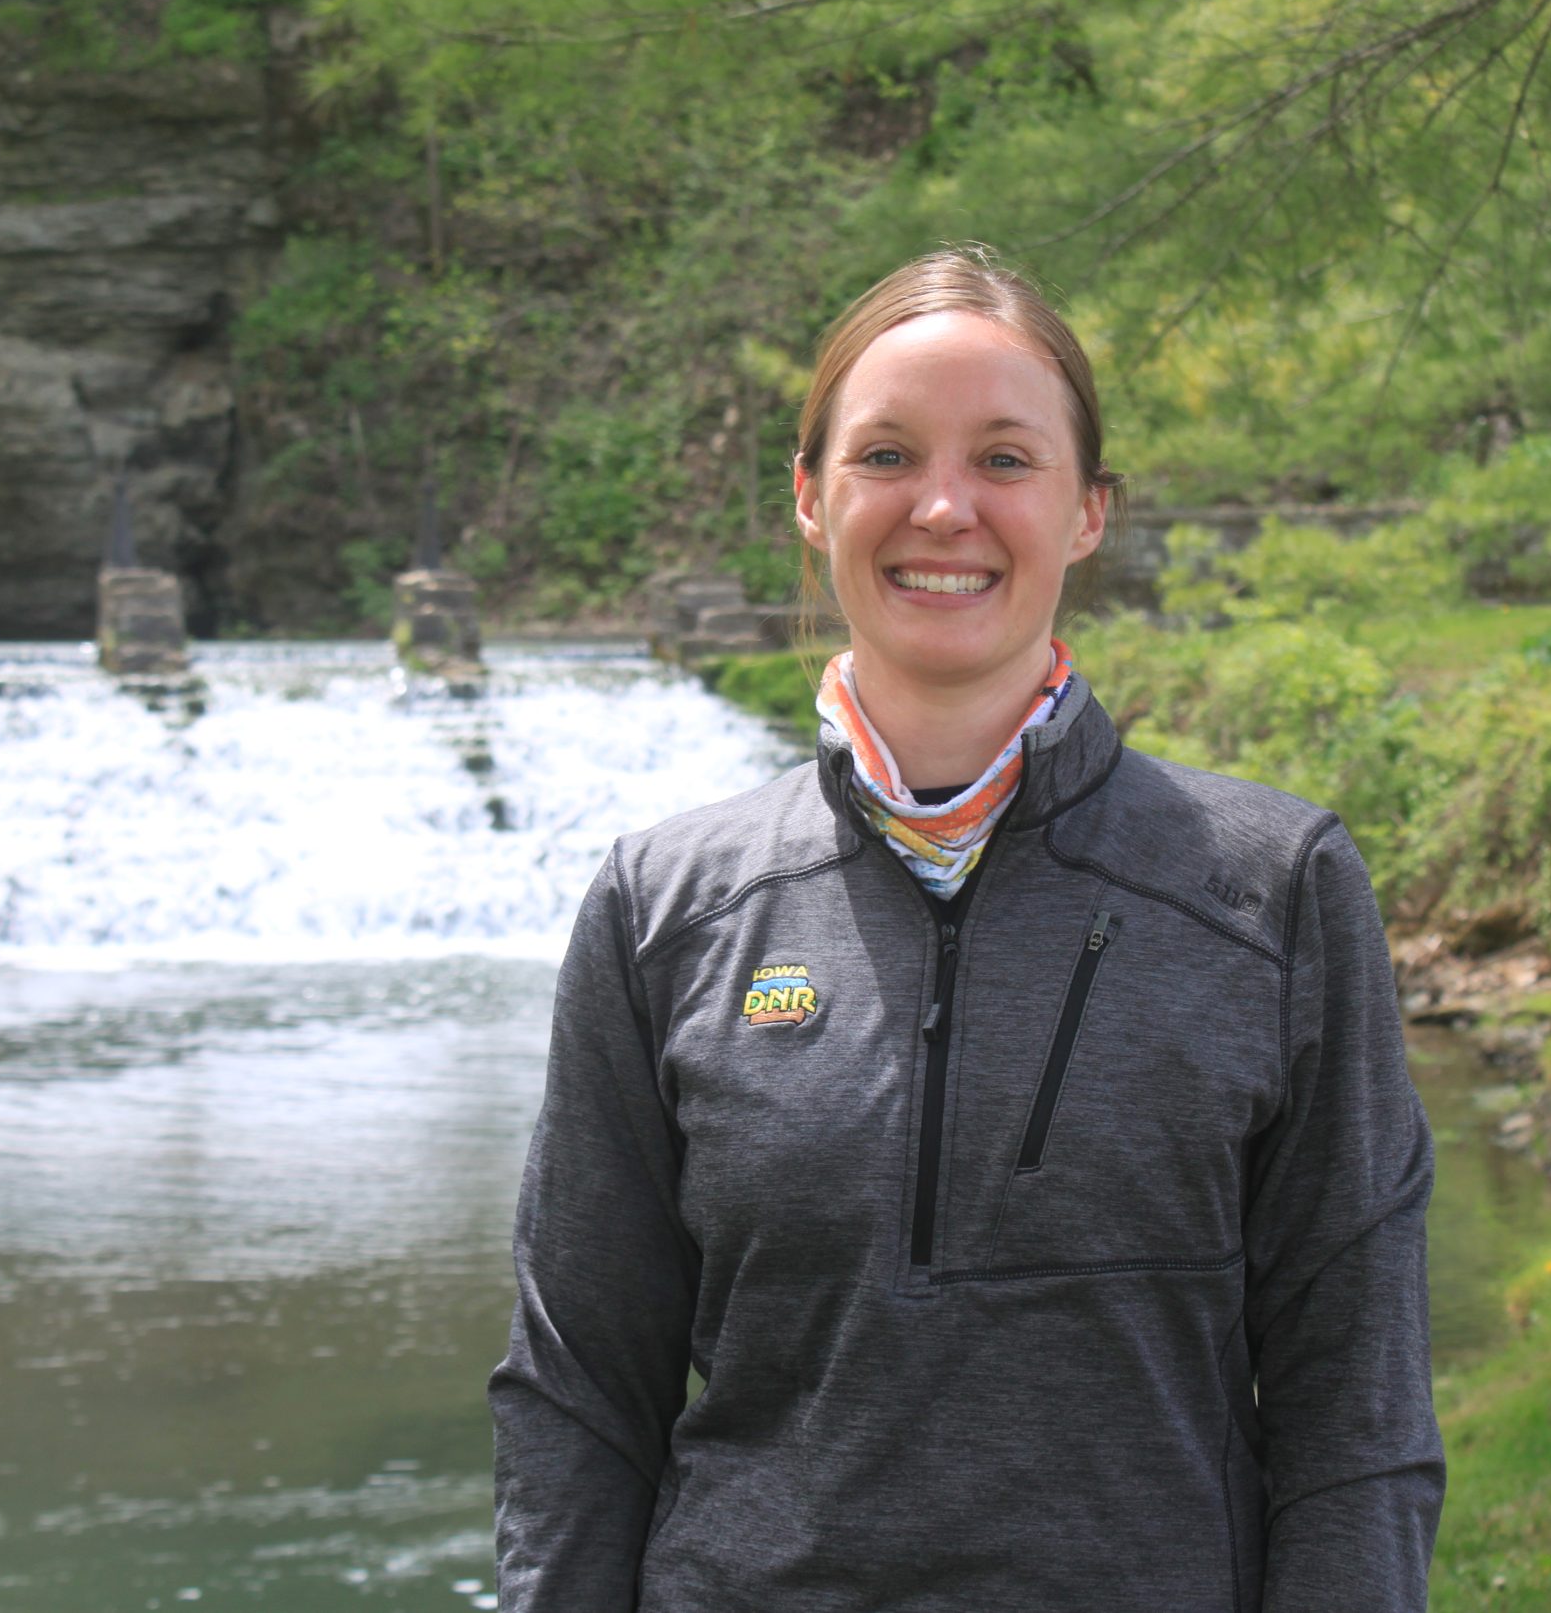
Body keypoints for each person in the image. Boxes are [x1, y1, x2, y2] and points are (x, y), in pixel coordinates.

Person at [489, 247, 1444, 1609]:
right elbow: (577, 1396)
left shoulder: (1276, 891)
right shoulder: (666, 909)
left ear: (1089, 511)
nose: (944, 508)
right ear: (813, 501)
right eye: (887, 456)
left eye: (1006, 459)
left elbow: (1358, 1412)